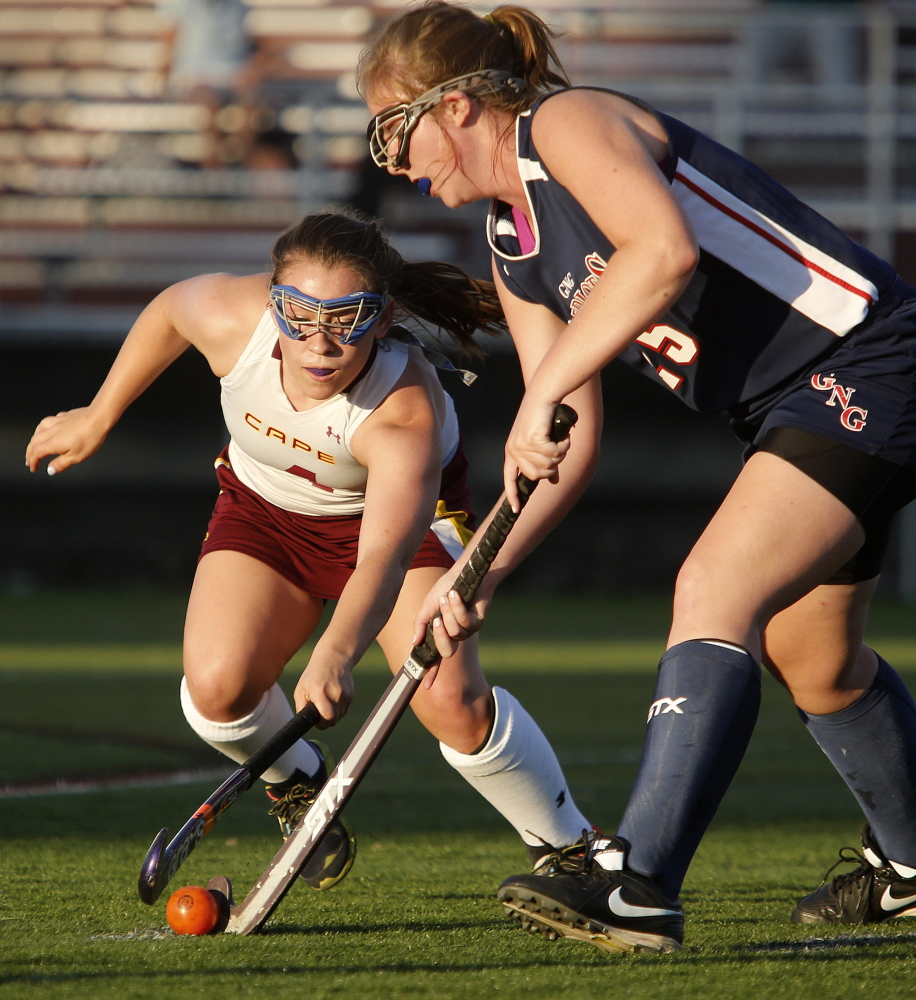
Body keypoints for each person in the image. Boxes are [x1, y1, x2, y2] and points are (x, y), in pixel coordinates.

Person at [358, 2, 916, 954]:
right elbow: (564, 439)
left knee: (712, 590)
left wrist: (554, 386)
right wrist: (481, 569)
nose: (396, 162)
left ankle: (642, 882)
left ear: (453, 105)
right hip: (786, 407)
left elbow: (663, 252)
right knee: (815, 662)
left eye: (392, 128)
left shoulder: (565, 125)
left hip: (863, 361)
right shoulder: (511, 244)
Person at [24, 210, 595, 893]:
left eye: (348, 318)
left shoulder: (400, 408)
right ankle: (299, 782)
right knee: (215, 691)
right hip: (265, 514)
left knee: (450, 702)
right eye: (298, 313)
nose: (320, 343)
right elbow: (172, 310)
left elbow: (382, 557)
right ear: (274, 303)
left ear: (382, 320)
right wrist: (99, 413)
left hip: (403, 536)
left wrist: (334, 651)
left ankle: (573, 850)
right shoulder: (234, 323)